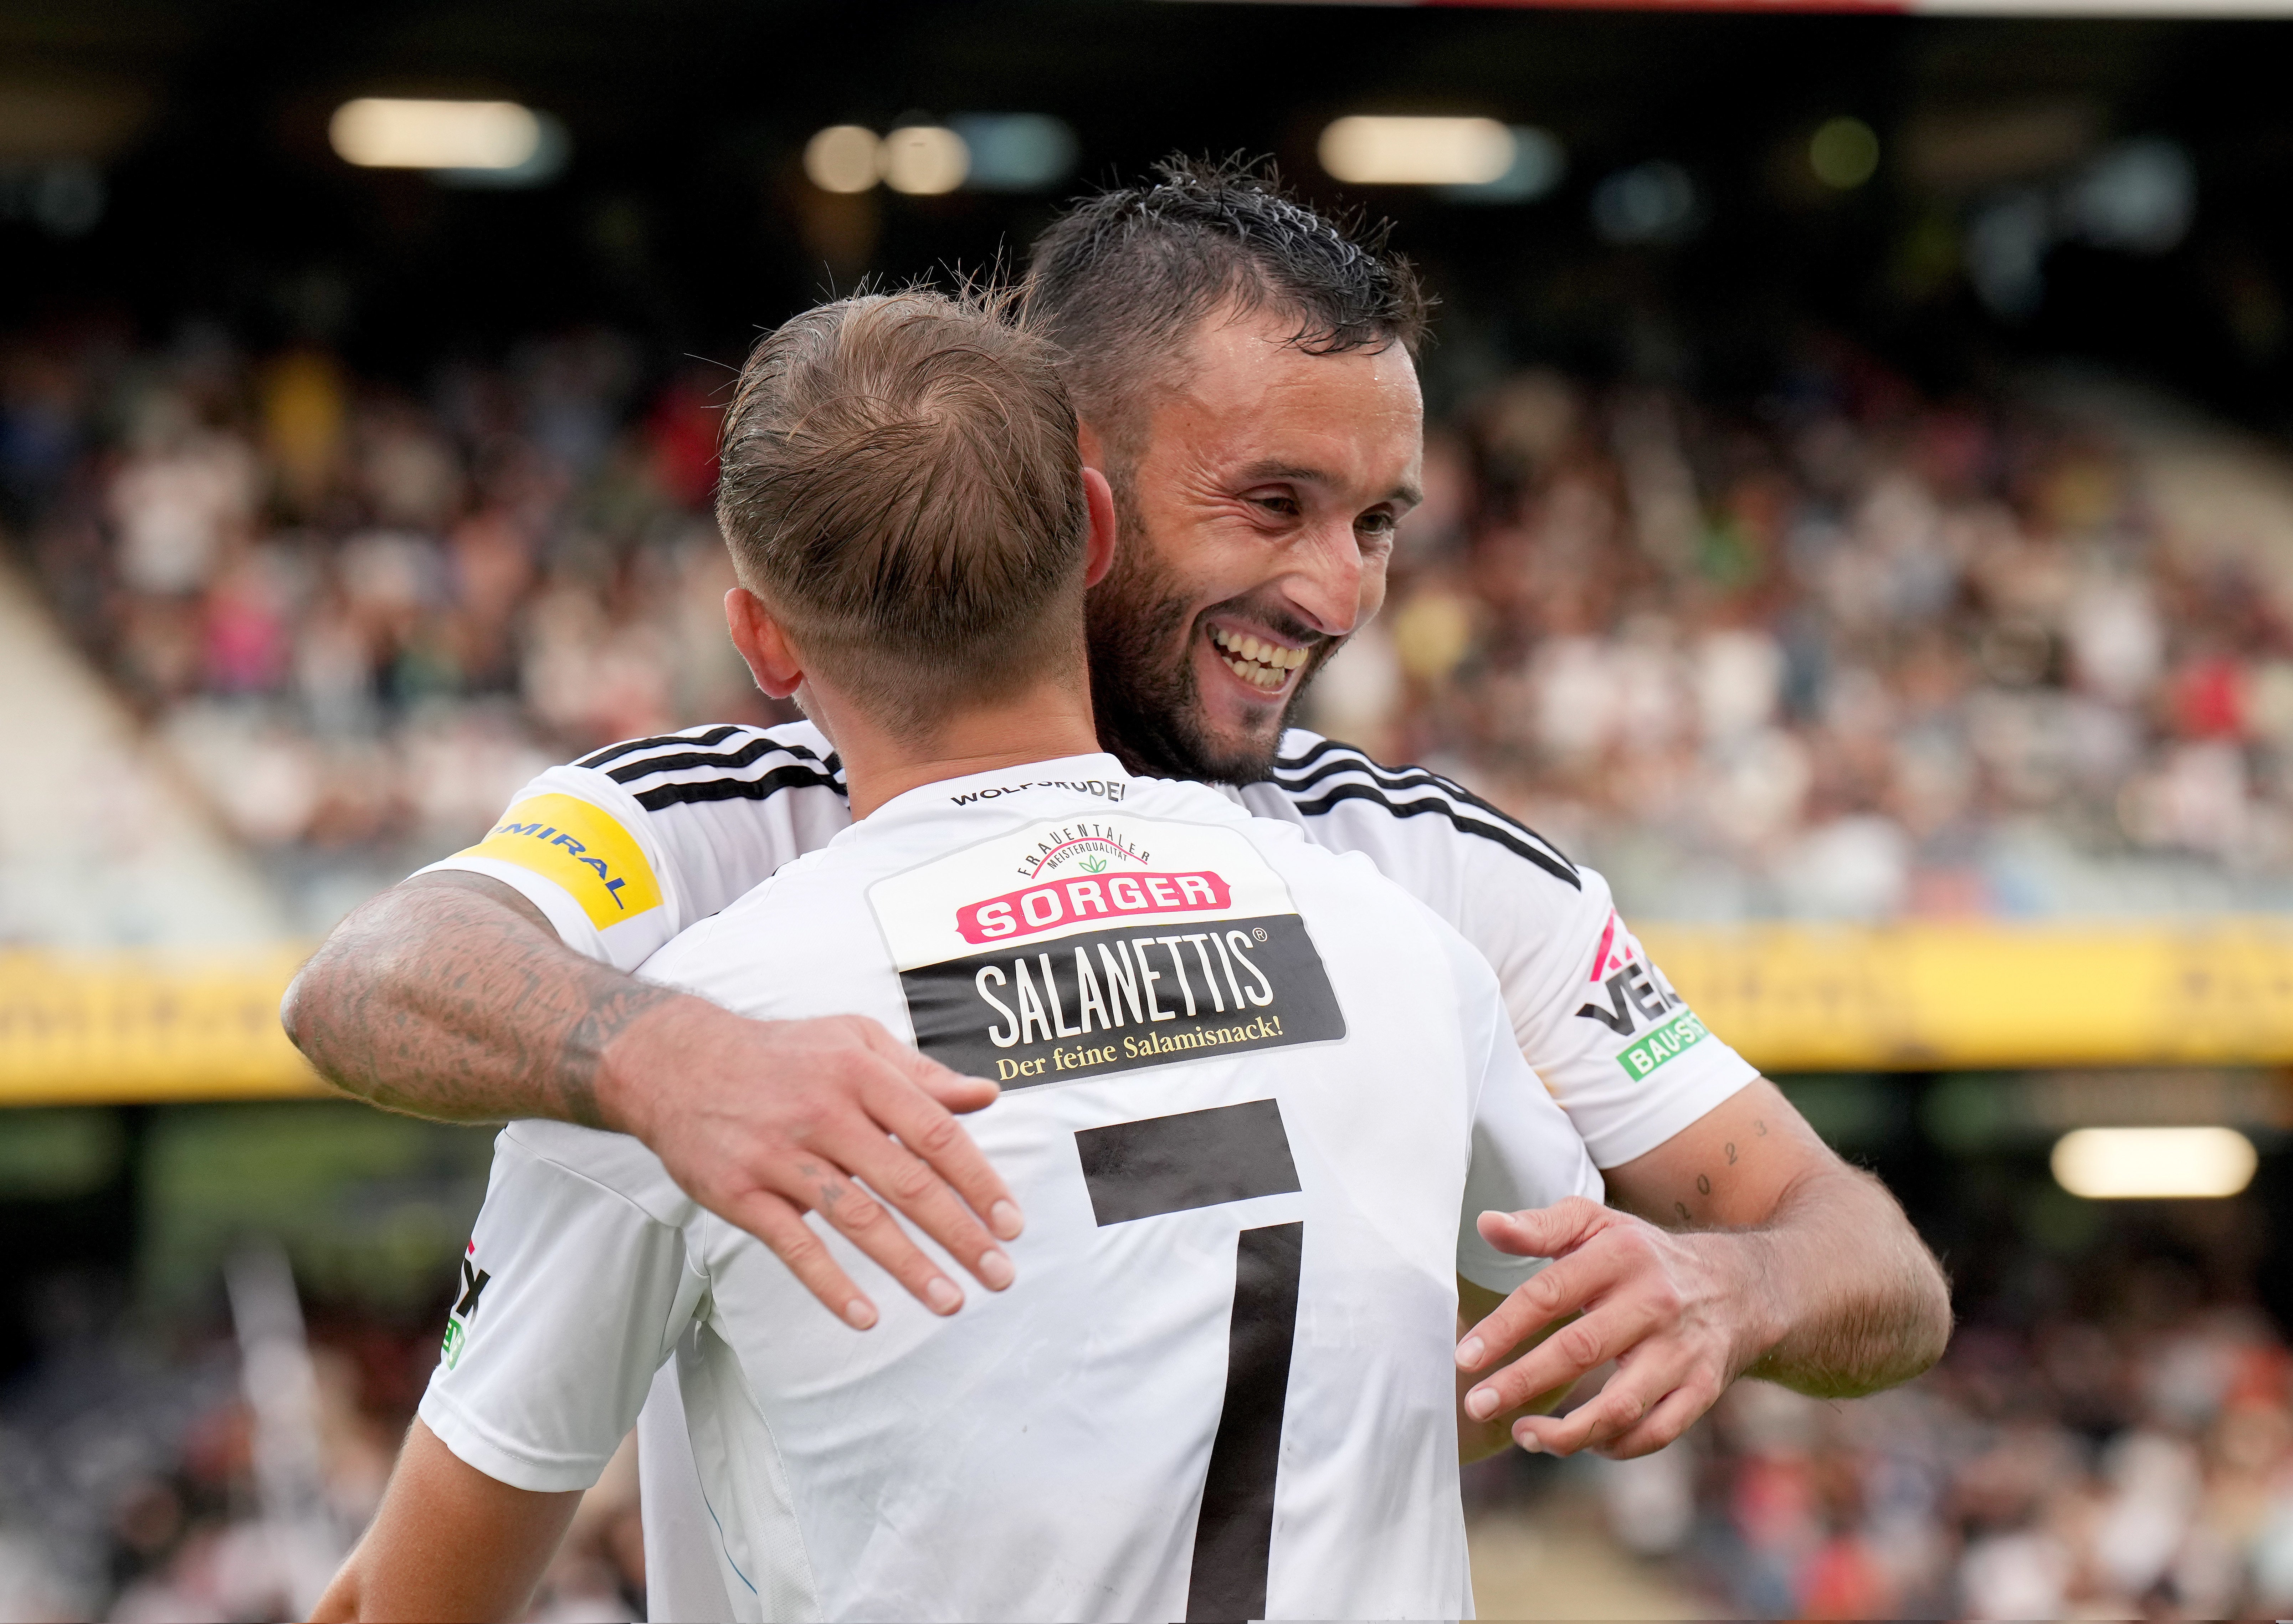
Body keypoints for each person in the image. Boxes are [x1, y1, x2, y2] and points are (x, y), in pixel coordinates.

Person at [284, 157, 1950, 1609]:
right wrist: (664, 1054)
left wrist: (1737, 1285)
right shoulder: (716, 835)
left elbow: (1865, 1254)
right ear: (1076, 485)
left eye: (1379, 522)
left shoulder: (1433, 864)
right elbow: (376, 972)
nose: (1338, 592)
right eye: (1272, 504)